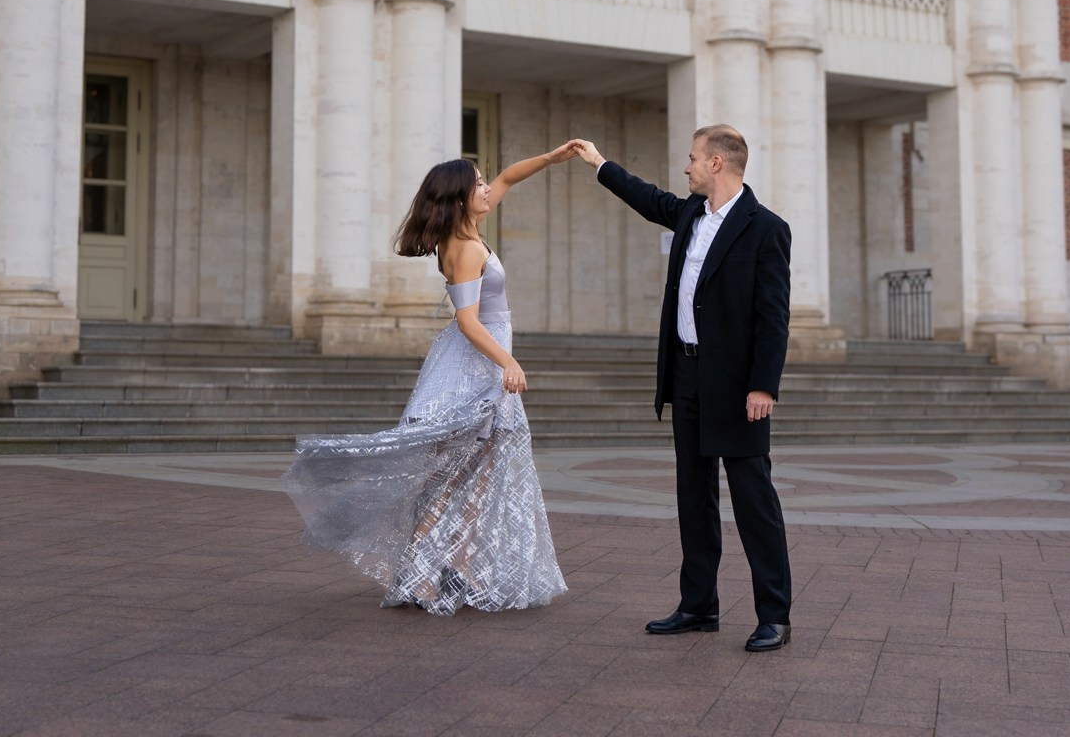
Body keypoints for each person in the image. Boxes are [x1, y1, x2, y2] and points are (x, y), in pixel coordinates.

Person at [281, 146, 576, 615]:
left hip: (481, 366)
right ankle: (420, 577)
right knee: (447, 478)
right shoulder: (464, 248)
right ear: (460, 198)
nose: (487, 189)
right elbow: (469, 322)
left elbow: (508, 177)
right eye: (478, 184)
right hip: (470, 368)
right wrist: (509, 363)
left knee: (480, 475)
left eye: (483, 182)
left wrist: (553, 157)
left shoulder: (468, 233)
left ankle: (457, 567)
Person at [573, 126, 793, 652]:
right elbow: (649, 199)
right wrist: (600, 162)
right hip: (687, 377)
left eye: (693, 159)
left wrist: (764, 385)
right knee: (693, 498)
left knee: (752, 501)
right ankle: (698, 606)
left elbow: (773, 316)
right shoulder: (691, 214)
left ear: (718, 164)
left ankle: (774, 615)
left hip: (739, 387)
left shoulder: (766, 229)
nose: (686, 167)